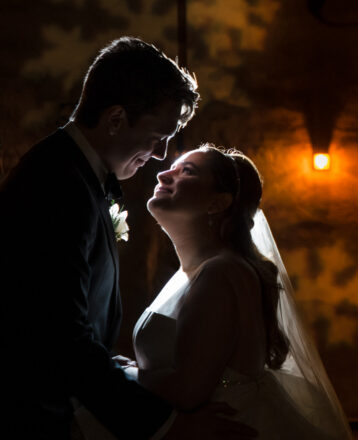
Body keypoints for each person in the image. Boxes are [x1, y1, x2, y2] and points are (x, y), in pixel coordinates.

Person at [2, 36, 252, 439]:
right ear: (116, 119)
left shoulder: (74, 177)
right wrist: (169, 427)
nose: (159, 155)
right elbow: (60, 334)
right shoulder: (57, 184)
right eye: (158, 136)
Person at [111, 145, 350, 439]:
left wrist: (124, 375)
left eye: (187, 171)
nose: (162, 174)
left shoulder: (220, 273)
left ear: (217, 203)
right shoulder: (200, 271)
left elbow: (188, 392)